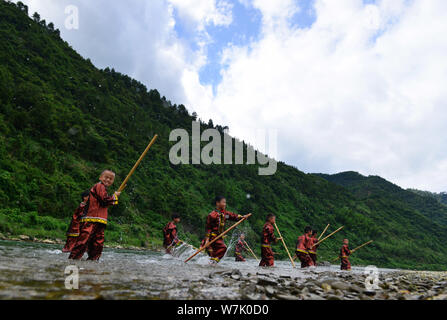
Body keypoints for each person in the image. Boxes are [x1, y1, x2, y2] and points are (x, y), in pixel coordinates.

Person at [69, 170, 120, 261]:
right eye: (106, 177)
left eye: (111, 179)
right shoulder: (99, 186)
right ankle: (73, 259)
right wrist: (114, 197)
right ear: (100, 177)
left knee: (98, 243)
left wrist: (113, 197)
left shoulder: (103, 189)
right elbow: (104, 199)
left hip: (100, 221)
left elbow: (104, 203)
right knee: (84, 240)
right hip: (91, 220)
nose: (108, 180)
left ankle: (93, 260)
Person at [201, 196, 250, 263]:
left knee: (217, 252)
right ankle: (210, 264)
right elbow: (208, 228)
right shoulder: (212, 215)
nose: (225, 204)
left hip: (219, 238)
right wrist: (207, 240)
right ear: (217, 203)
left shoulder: (225, 215)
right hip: (212, 238)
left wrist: (242, 217)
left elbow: (232, 216)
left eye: (225, 202)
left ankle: (211, 265)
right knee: (221, 249)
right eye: (223, 202)